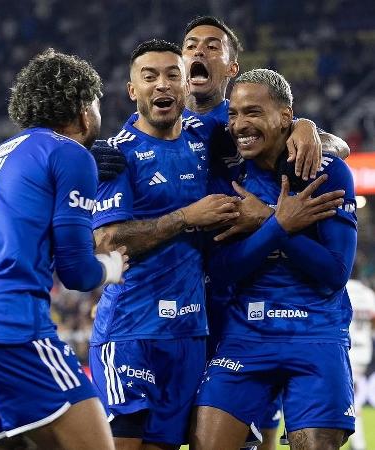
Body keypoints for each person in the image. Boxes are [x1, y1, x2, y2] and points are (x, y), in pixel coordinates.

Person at [0, 48, 128, 450]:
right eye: (96, 102)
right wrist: (111, 266)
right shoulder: (69, 152)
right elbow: (76, 271)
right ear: (82, 109)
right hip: (10, 327)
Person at [89, 39, 244, 450]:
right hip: (130, 331)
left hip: (190, 334)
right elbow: (105, 242)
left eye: (173, 75)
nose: (163, 84)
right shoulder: (117, 155)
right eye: (150, 76)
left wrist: (306, 130)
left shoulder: (205, 133)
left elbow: (270, 122)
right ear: (132, 90)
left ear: (185, 87)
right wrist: (186, 218)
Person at [192, 69, 357, 450]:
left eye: (252, 112)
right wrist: (280, 222)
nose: (239, 125)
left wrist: (267, 220)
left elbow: (333, 273)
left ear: (286, 117)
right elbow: (221, 270)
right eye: (233, 114)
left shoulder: (327, 174)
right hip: (244, 337)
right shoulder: (227, 181)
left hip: (316, 335)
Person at [346, 277, 375, 450]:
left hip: (345, 349)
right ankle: (356, 442)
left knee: (351, 399)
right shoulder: (368, 294)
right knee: (353, 397)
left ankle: (358, 443)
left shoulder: (342, 288)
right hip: (364, 353)